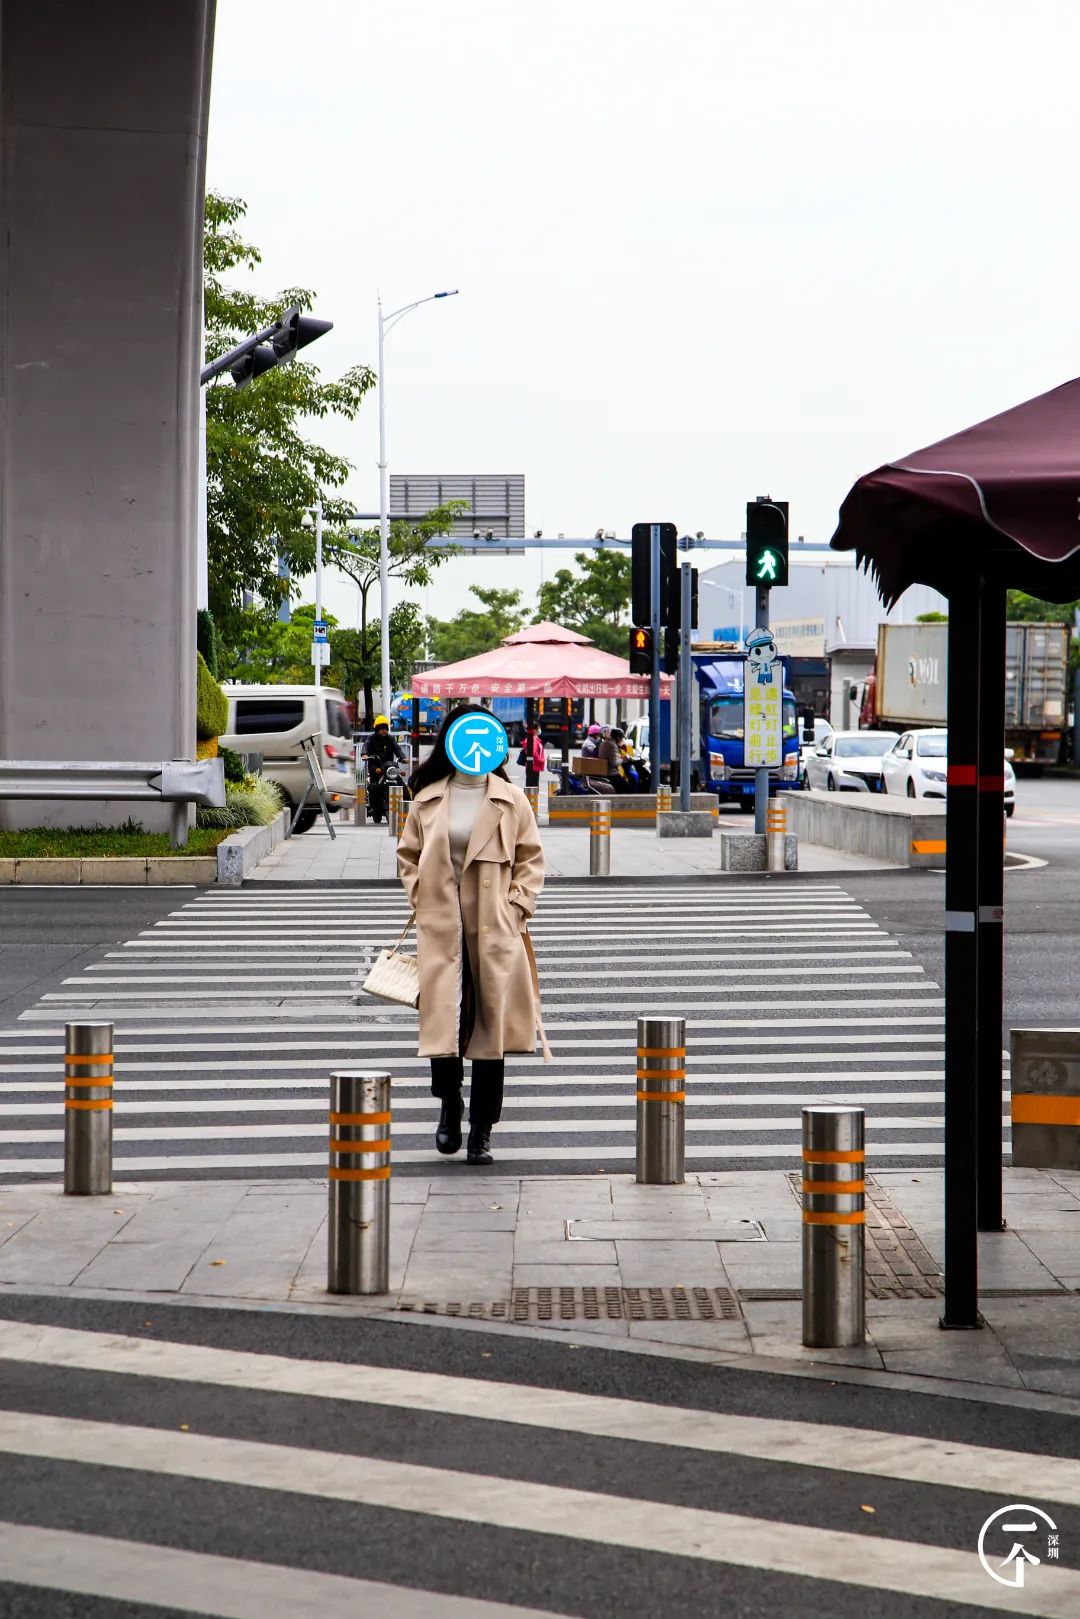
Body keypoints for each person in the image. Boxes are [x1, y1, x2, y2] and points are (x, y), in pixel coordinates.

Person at [397, 704, 547, 1165]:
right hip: (444, 928)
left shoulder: (509, 798)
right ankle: (449, 1107)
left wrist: (517, 905)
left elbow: (531, 858)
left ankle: (481, 1129)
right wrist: (421, 895)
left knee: (489, 1032)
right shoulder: (427, 798)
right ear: (451, 739)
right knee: (444, 1024)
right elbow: (408, 856)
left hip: (493, 927)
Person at [363, 716, 406, 823]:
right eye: (381, 728)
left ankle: (408, 810)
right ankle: (375, 809)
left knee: (403, 786)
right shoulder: (371, 739)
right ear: (377, 729)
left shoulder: (390, 739)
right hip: (376, 767)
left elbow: (397, 749)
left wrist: (403, 758)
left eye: (385, 728)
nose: (384, 731)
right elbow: (366, 746)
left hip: (390, 768)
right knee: (374, 788)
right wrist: (364, 754)